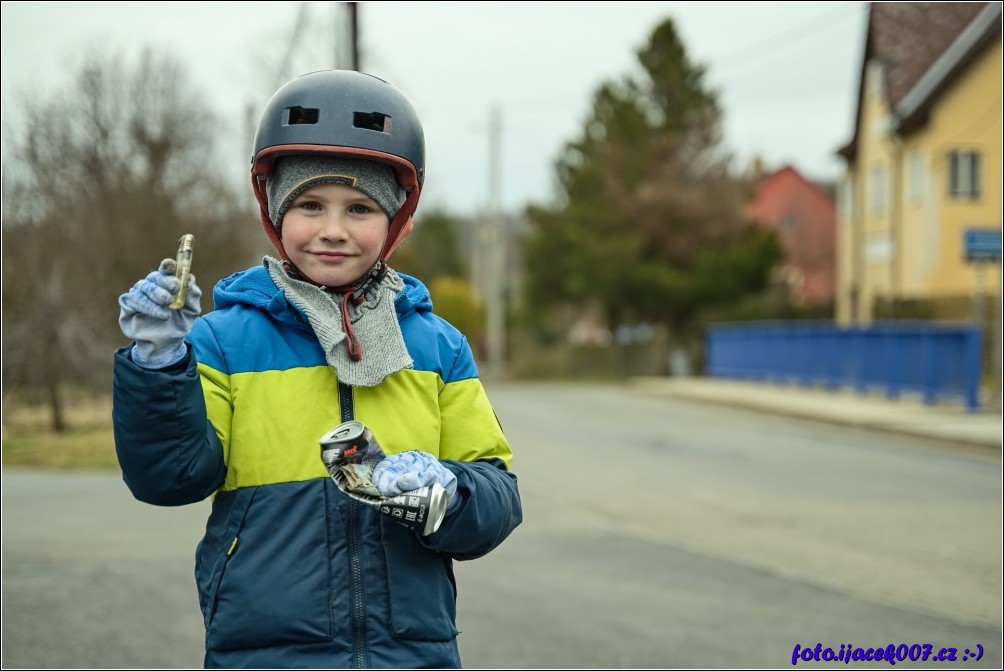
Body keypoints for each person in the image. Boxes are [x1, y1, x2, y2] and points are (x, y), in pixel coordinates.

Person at [112, 69, 523, 669]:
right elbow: (168, 479)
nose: (333, 231)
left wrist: (449, 496)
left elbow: (498, 494)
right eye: (309, 205)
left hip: (409, 655)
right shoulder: (223, 341)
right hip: (263, 652)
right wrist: (159, 364)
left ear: (395, 221)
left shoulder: (439, 348)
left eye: (359, 208)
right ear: (275, 213)